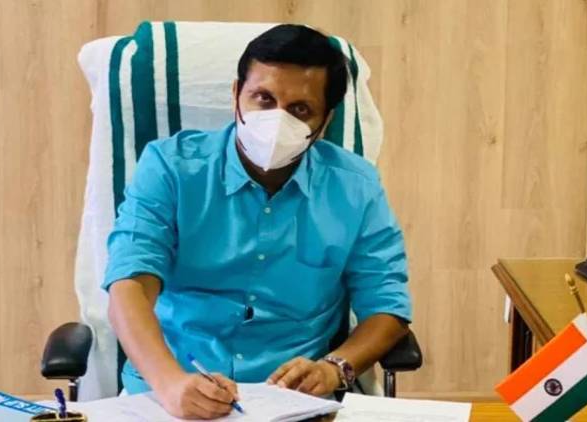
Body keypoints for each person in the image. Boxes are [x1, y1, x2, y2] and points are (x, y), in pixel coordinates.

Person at [103, 24, 412, 420]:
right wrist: (170, 384)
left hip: (296, 402)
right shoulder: (169, 168)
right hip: (170, 392)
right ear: (236, 94)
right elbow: (129, 285)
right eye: (263, 98)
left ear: (324, 121)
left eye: (300, 109)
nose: (276, 119)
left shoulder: (357, 187)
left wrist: (334, 369)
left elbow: (387, 306)